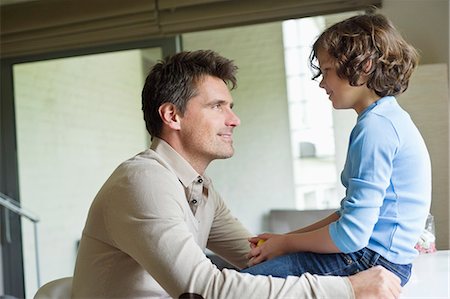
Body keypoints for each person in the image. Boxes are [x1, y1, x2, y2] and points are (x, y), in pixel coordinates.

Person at [72, 49, 402, 298]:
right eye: (218, 107)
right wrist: (346, 289)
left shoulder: (200, 189)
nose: (234, 119)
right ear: (172, 115)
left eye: (230, 106)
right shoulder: (143, 182)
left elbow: (255, 256)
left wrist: (363, 245)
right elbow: (203, 290)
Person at [241, 13, 431, 288]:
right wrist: (284, 240)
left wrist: (287, 243)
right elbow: (348, 216)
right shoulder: (387, 119)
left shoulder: (375, 128)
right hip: (382, 259)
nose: (321, 83)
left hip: (370, 261)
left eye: (326, 70)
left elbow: (351, 236)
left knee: (240, 286)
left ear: (364, 66)